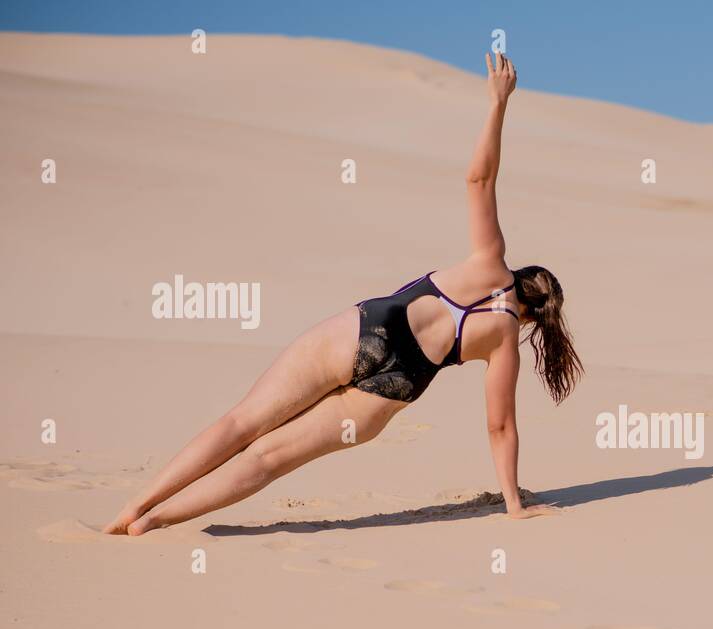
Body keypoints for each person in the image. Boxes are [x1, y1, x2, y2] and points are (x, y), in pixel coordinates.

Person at [105, 52, 581, 534]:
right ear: (532, 317)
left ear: (520, 275)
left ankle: (135, 507)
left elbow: (479, 179)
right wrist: (513, 505)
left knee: (242, 424)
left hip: (366, 331)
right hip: (391, 390)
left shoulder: (490, 261)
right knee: (268, 460)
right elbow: (500, 429)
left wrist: (498, 102)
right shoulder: (503, 339)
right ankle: (157, 521)